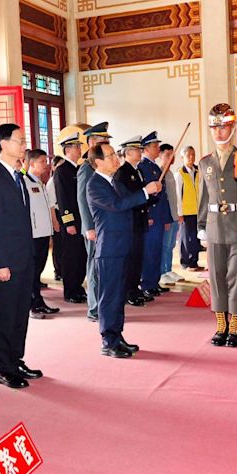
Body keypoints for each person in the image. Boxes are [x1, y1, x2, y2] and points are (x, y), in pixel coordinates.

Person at [0, 124, 42, 389]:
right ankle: (4, 367)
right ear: (3, 144)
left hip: (23, 256)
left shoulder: (18, 176)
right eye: (20, 140)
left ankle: (16, 359)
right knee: (5, 315)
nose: (24, 144)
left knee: (19, 313)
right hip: (6, 261)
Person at [87, 143, 161, 358]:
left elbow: (131, 203)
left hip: (122, 246)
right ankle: (108, 341)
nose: (115, 159)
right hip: (109, 249)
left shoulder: (113, 182)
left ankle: (117, 336)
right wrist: (144, 192)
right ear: (98, 162)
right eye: (110, 156)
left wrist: (151, 193)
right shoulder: (95, 184)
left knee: (119, 295)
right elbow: (117, 205)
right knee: (109, 296)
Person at [198, 104, 237, 348]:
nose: (218, 132)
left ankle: (235, 327)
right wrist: (201, 226)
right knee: (216, 277)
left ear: (233, 128)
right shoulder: (205, 162)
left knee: (235, 277)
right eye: (214, 127)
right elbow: (203, 198)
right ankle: (221, 325)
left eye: (224, 126)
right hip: (215, 226)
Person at [78, 122, 112, 322]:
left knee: (103, 266)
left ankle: (103, 303)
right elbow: (82, 198)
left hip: (104, 224)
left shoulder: (103, 166)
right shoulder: (86, 168)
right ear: (91, 142)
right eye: (102, 140)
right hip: (94, 227)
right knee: (94, 267)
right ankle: (94, 308)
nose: (105, 144)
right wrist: (89, 226)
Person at [113, 136, 150, 307]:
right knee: (131, 259)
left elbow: (141, 196)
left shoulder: (137, 170)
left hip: (139, 220)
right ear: (128, 153)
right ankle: (129, 291)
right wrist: (145, 193)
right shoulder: (122, 173)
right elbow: (127, 199)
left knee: (138, 257)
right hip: (130, 221)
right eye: (137, 150)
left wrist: (152, 194)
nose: (140, 152)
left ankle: (135, 288)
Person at [24, 149, 60, 319]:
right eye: (42, 162)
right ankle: (33, 305)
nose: (46, 165)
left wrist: (53, 224)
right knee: (32, 271)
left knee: (38, 271)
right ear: (31, 164)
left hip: (44, 233)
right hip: (33, 234)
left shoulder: (40, 183)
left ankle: (38, 301)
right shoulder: (25, 183)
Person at [52, 133, 88, 303]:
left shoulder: (79, 169)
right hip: (72, 221)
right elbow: (63, 199)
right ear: (67, 150)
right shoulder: (62, 171)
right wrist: (69, 222)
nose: (80, 149)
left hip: (82, 219)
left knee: (81, 255)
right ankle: (70, 290)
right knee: (71, 256)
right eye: (76, 147)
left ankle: (78, 286)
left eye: (80, 146)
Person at [139, 131, 171, 297]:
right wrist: (148, 216)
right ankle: (147, 283)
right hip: (151, 216)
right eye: (155, 146)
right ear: (145, 149)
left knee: (157, 250)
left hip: (159, 216)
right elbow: (144, 195)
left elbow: (162, 196)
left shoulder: (154, 167)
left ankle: (154, 281)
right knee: (149, 251)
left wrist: (165, 217)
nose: (158, 149)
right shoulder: (143, 167)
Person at [159, 143, 184, 286]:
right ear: (160, 156)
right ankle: (162, 272)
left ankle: (168, 269)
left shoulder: (169, 173)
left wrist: (178, 214)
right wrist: (167, 218)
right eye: (167, 155)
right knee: (165, 245)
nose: (170, 158)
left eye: (172, 154)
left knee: (171, 246)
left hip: (174, 215)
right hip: (167, 217)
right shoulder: (160, 173)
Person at [176, 146, 202, 272]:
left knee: (197, 237)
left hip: (198, 210)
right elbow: (177, 195)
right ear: (182, 157)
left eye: (193, 154)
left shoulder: (198, 171)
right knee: (186, 238)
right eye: (188, 155)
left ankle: (194, 261)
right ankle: (185, 262)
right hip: (186, 212)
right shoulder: (180, 174)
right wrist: (179, 213)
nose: (191, 157)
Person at [46, 155, 65, 281]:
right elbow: (51, 204)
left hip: (64, 213)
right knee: (58, 245)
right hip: (57, 214)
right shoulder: (52, 181)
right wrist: (55, 221)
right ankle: (57, 270)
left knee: (64, 245)